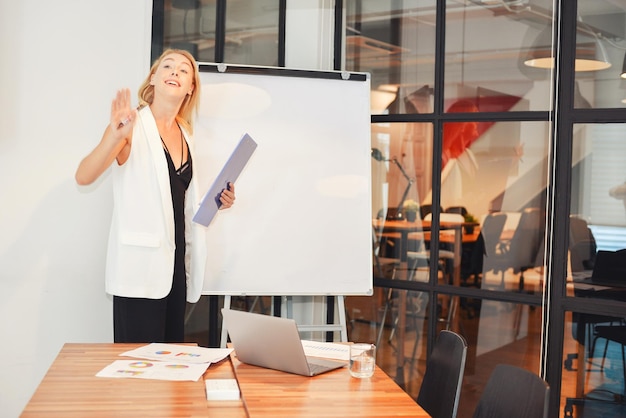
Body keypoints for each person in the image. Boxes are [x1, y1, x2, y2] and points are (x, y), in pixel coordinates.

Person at [75, 49, 236, 343]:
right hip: (139, 272)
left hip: (175, 271)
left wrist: (217, 203)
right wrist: (114, 135)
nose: (175, 72)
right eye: (168, 66)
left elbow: (181, 206)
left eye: (184, 70)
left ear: (191, 89)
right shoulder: (130, 126)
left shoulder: (186, 135)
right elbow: (83, 176)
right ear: (153, 78)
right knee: (138, 377)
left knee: (170, 371)